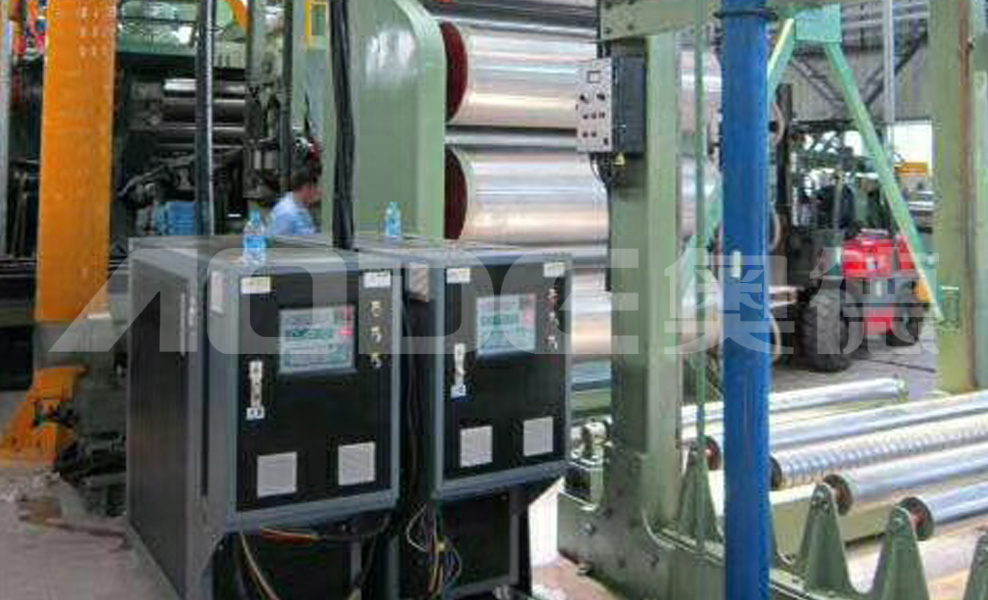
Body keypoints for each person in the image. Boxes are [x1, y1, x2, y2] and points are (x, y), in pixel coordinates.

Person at [269, 137, 323, 236]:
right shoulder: (287, 213)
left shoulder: (300, 206)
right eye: (316, 187)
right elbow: (276, 244)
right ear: (306, 187)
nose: (318, 192)